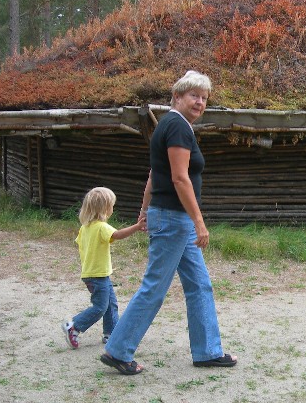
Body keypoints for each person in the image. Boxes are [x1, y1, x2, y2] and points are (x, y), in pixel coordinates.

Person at [100, 70, 237, 375]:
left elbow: (153, 176)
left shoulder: (168, 125)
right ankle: (118, 350)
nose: (199, 102)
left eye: (203, 98)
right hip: (176, 220)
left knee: (200, 284)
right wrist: (199, 222)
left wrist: (144, 209)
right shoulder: (177, 126)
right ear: (177, 96)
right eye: (193, 96)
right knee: (154, 287)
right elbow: (178, 177)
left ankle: (207, 351)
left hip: (173, 219)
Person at [63, 187, 145, 349]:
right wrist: (137, 227)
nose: (112, 209)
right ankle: (74, 326)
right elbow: (117, 235)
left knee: (110, 304)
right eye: (111, 206)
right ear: (105, 208)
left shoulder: (85, 228)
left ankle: (111, 333)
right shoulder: (101, 227)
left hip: (94, 274)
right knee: (100, 307)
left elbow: (80, 244)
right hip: (97, 275)